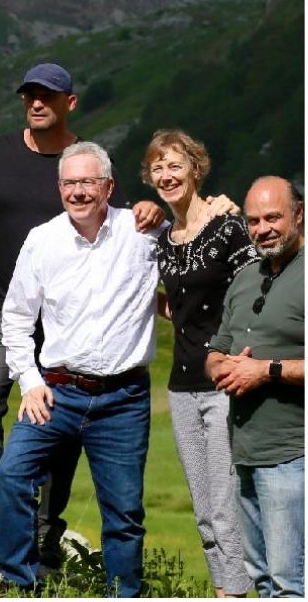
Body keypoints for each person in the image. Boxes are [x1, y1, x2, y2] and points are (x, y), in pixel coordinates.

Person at [0, 62, 166, 562]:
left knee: (63, 427)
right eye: (29, 94)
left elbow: (122, 226)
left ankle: (46, 523)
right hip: (3, 307)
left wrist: (154, 210)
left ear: (69, 102)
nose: (36, 102)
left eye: (47, 94)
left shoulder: (84, 164)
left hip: (71, 322)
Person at [0, 141, 160, 597]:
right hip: (57, 391)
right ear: (59, 187)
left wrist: (175, 209)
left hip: (123, 399)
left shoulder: (142, 231)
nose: (78, 191)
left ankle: (124, 593)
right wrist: (29, 381)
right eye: (70, 183)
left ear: (109, 185)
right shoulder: (42, 240)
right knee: (12, 476)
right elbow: (15, 318)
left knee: (124, 512)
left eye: (88, 182)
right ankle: (17, 585)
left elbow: (194, 238)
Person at [144, 129, 257, 597]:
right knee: (205, 511)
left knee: (228, 505)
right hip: (182, 386)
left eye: (175, 165)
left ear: (195, 168)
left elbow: (254, 294)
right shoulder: (163, 241)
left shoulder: (227, 225)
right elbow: (176, 304)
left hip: (225, 381)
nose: (167, 175)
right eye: (158, 168)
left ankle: (243, 590)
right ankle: (225, 589)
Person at [206, 176, 305, 599]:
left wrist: (267, 370)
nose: (262, 228)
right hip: (244, 451)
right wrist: (223, 368)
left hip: (292, 453)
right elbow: (216, 350)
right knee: (261, 581)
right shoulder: (245, 277)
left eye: (273, 217)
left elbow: (264, 368)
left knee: (290, 584)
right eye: (253, 221)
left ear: (299, 215)